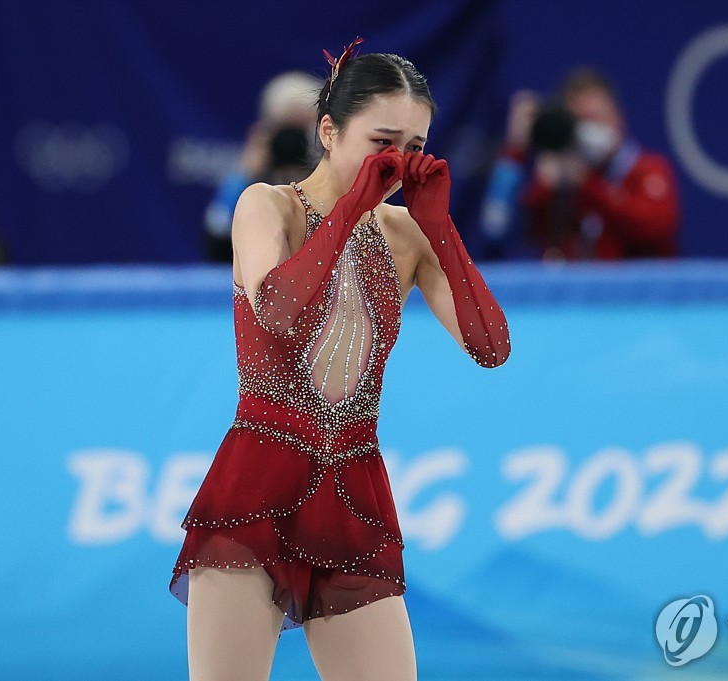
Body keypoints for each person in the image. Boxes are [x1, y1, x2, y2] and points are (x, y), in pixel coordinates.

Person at [169, 37, 511, 681]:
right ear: (328, 130)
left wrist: (440, 227)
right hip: (257, 485)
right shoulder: (264, 206)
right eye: (382, 142)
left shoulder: (406, 235)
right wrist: (352, 206)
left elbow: (490, 348)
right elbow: (278, 311)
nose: (399, 164)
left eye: (414, 148)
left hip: (351, 493)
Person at [479, 67, 682, 261]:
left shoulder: (649, 170)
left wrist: (587, 185)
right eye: (580, 122)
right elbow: (496, 226)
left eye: (595, 119)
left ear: (619, 118)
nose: (588, 131)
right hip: (570, 295)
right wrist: (515, 152)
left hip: (638, 295)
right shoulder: (557, 182)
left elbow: (654, 229)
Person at [203, 70, 321, 262]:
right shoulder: (251, 187)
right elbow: (217, 243)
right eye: (285, 130)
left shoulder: (336, 179)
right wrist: (242, 175)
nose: (292, 142)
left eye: (301, 129)